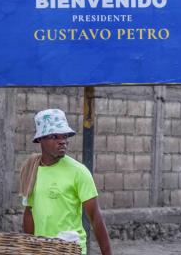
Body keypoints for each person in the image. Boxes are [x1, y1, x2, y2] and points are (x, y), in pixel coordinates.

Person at [19, 108, 111, 255]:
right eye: (55, 136)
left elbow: (95, 216)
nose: (63, 141)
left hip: (71, 249)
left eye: (65, 136)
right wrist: (29, 247)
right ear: (40, 139)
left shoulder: (79, 172)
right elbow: (29, 211)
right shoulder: (31, 170)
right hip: (42, 249)